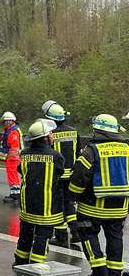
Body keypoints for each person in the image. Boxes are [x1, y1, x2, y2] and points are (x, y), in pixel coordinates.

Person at [69, 114, 129, 276]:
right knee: (115, 238)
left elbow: (79, 178)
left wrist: (72, 196)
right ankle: (115, 272)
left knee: (87, 234)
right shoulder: (127, 150)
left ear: (97, 130)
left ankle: (99, 270)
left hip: (92, 208)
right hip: (119, 210)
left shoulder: (91, 151)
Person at [14, 119, 64, 266]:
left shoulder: (24, 154)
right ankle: (36, 266)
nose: (52, 135)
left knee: (25, 236)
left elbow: (20, 170)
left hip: (27, 205)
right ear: (45, 137)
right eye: (50, 133)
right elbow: (60, 173)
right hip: (46, 207)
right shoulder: (55, 156)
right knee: (42, 237)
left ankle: (20, 262)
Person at [42, 100, 80, 245]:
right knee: (69, 203)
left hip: (55, 175)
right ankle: (76, 233)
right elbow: (78, 153)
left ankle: (61, 236)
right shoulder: (74, 131)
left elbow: (46, 154)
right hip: (71, 175)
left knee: (57, 205)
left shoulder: (48, 134)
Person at [0, 112, 22, 203]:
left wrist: (5, 152)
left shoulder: (13, 132)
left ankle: (15, 195)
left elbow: (13, 146)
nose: (4, 123)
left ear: (9, 121)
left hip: (13, 158)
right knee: (12, 176)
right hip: (12, 158)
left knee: (13, 176)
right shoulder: (11, 130)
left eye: (5, 121)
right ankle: (14, 194)